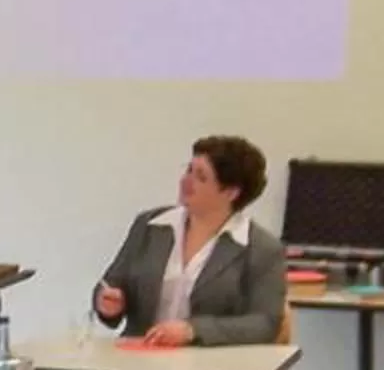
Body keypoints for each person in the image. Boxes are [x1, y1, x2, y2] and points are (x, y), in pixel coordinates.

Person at [92, 134, 287, 349]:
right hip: (139, 365)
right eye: (188, 170)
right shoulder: (149, 226)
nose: (186, 181)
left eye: (201, 177)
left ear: (231, 193)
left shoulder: (262, 249)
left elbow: (264, 324)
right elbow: (111, 283)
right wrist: (109, 303)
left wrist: (192, 330)